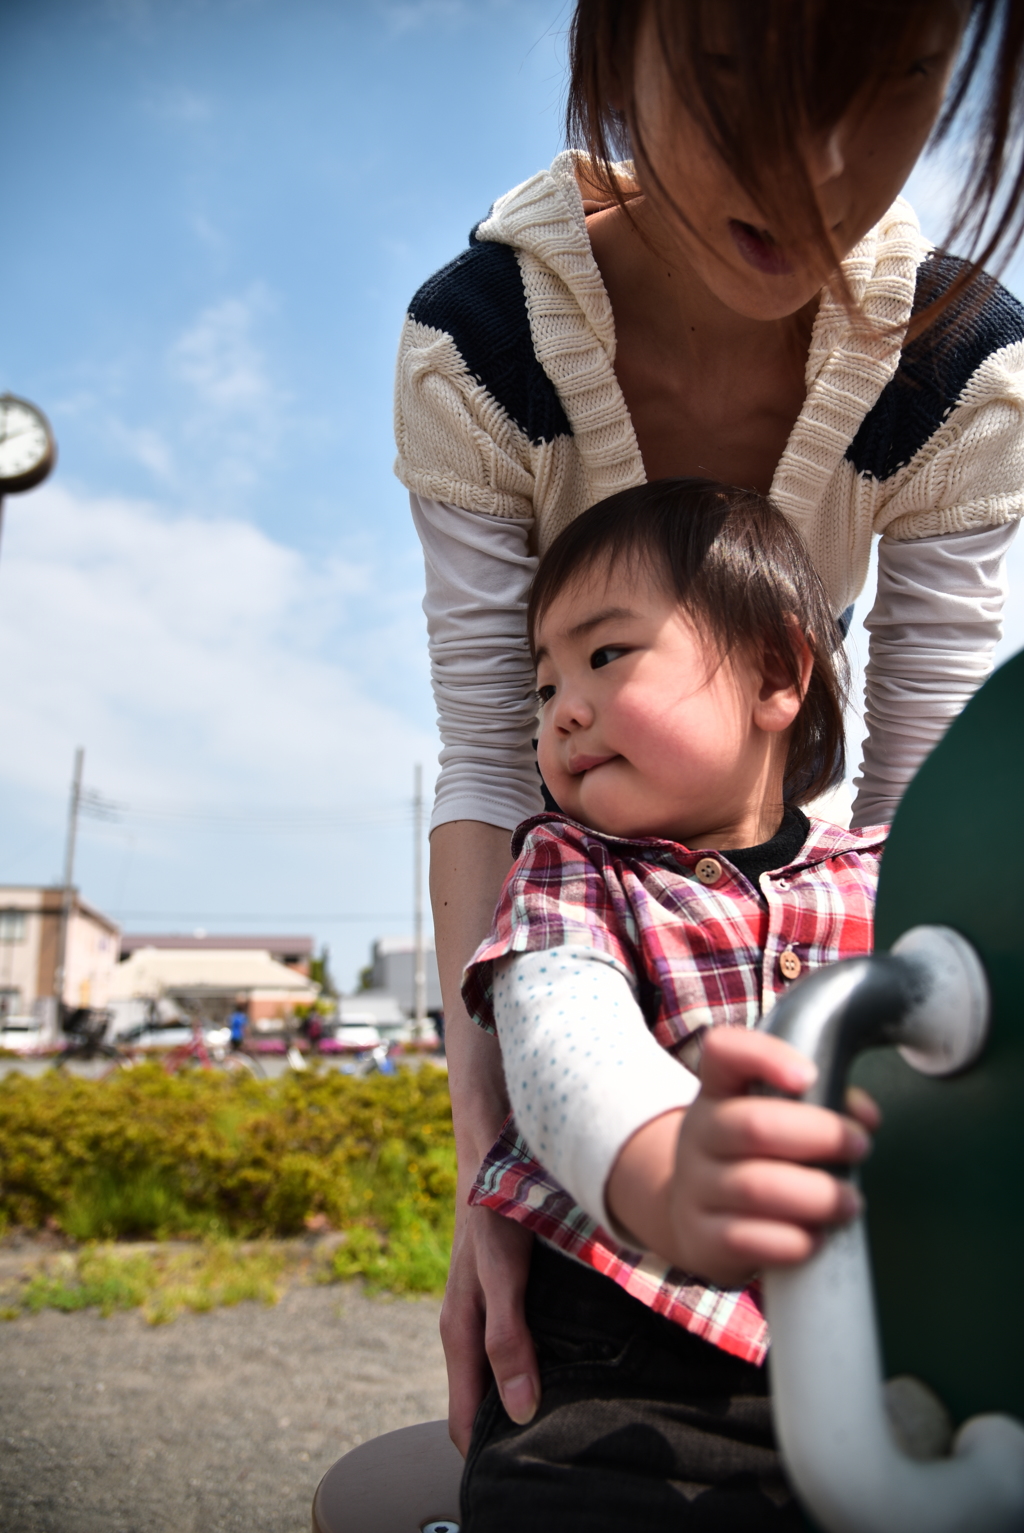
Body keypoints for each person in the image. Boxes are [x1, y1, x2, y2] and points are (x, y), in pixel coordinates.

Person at [393, 0, 1024, 1449]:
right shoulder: (486, 343)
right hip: (612, 1259)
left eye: (889, 79)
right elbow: (495, 764)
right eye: (733, 66)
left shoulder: (959, 364)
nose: (809, 165)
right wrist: (506, 1167)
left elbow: (918, 822)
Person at [458, 479, 882, 1528]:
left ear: (777, 672)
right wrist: (664, 1173)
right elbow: (561, 1038)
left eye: (605, 656)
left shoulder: (891, 873)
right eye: (544, 680)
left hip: (882, 1346)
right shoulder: (568, 866)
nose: (563, 706)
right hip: (625, 1349)